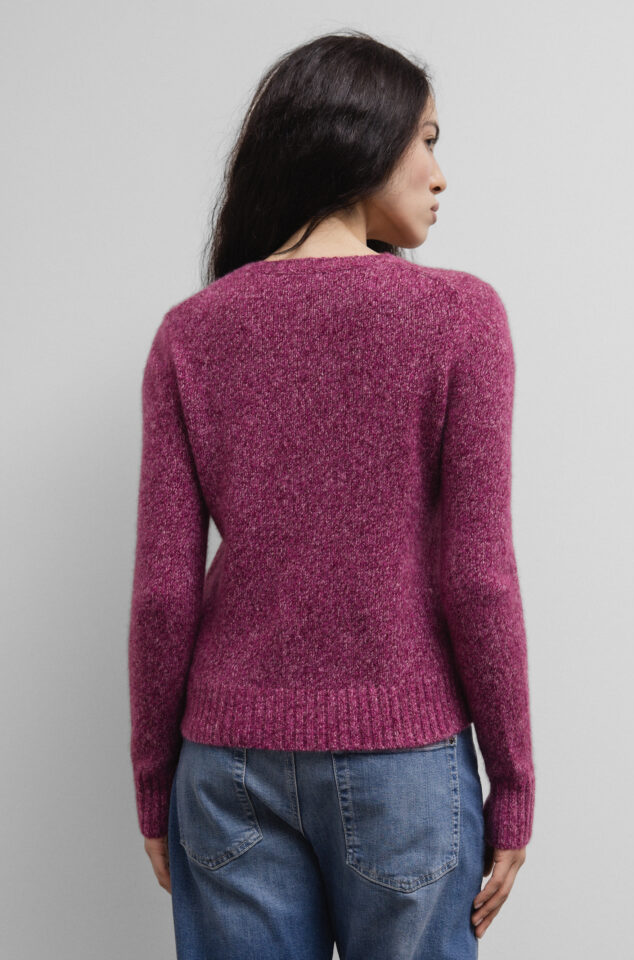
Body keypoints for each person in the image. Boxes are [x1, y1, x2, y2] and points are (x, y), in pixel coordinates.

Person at [127, 29, 535, 959]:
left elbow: (162, 592)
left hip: (223, 768)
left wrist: (153, 785)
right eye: (426, 140)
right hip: (406, 760)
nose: (440, 174)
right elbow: (478, 576)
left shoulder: (191, 333)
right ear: (363, 138)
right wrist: (512, 784)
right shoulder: (461, 317)